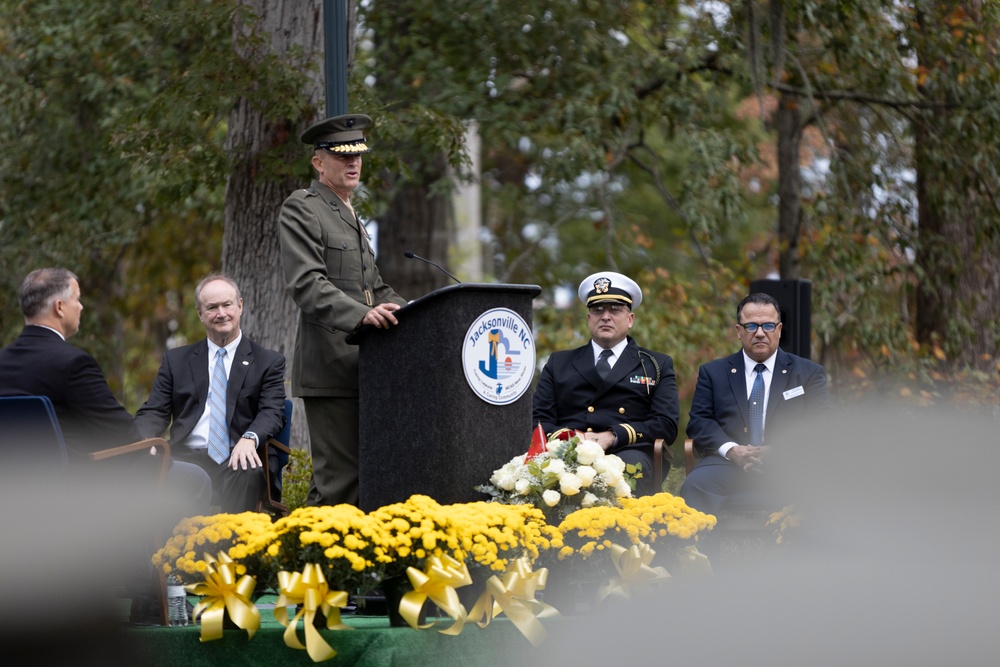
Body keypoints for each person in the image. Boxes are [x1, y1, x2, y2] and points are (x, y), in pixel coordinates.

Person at [0, 267, 212, 624]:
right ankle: (152, 593)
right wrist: (148, 446)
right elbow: (122, 436)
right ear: (59, 307)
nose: (81, 307)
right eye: (78, 299)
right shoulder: (72, 362)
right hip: (77, 484)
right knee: (191, 479)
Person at [278, 112, 407, 507]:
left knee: (352, 483)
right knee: (340, 486)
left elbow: (374, 287)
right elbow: (307, 284)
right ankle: (316, 569)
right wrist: (361, 315)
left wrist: (417, 312)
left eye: (358, 156)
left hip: (365, 365)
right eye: (341, 156)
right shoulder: (303, 207)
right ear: (319, 162)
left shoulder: (350, 213)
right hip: (332, 367)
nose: (353, 163)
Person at [135, 274, 286, 513]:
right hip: (186, 457)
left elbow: (272, 411)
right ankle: (172, 548)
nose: (221, 313)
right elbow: (155, 410)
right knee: (145, 465)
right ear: (200, 314)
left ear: (240, 306)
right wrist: (143, 440)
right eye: (212, 307)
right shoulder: (176, 361)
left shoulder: (267, 362)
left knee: (249, 470)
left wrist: (249, 438)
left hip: (237, 455)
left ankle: (228, 547)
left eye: (227, 304)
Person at [679, 292, 831, 516]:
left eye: (768, 326)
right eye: (751, 326)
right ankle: (704, 553)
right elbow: (700, 422)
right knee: (695, 487)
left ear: (779, 330)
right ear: (739, 331)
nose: (760, 333)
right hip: (729, 465)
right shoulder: (713, 372)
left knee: (819, 490)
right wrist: (732, 450)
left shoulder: (808, 373)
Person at [532, 271, 680, 496]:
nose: (606, 316)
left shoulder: (655, 364)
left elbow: (666, 424)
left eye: (615, 309)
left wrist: (612, 436)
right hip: (567, 452)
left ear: (630, 319)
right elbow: (539, 421)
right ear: (588, 318)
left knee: (626, 473)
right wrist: (575, 441)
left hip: (628, 452)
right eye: (597, 309)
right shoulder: (559, 362)